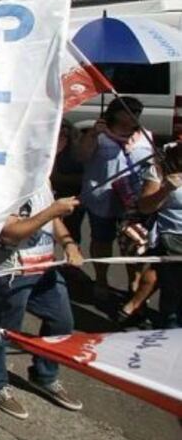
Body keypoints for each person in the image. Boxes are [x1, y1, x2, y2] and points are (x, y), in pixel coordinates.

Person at [0, 184, 84, 420]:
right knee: (4, 330)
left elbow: (53, 217)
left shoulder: (43, 173)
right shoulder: (7, 180)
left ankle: (44, 375)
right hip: (13, 269)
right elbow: (10, 232)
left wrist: (68, 243)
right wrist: (53, 210)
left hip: (44, 265)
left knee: (62, 322)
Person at [77, 96, 152, 301]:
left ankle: (134, 281)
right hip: (102, 199)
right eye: (128, 111)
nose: (133, 117)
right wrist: (93, 134)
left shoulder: (145, 136)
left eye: (136, 113)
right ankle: (101, 280)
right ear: (115, 113)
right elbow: (82, 157)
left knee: (133, 244)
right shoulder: (99, 135)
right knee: (102, 241)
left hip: (132, 202)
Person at [138, 142, 182, 328]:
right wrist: (165, 190)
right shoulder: (161, 169)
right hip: (174, 240)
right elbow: (145, 207)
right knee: (173, 294)